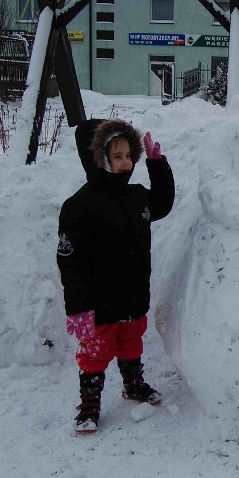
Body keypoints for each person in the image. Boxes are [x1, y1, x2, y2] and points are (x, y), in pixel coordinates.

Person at [57, 118, 175, 434]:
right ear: (99, 160)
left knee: (131, 342)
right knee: (95, 354)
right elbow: (70, 262)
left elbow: (162, 205)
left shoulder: (136, 195)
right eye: (117, 157)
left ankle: (133, 384)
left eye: (128, 156)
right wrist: (78, 307)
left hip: (133, 295)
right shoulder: (79, 206)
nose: (125, 164)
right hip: (99, 302)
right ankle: (89, 404)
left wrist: (157, 165)